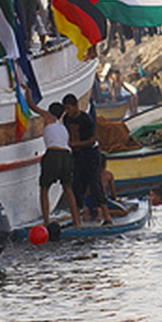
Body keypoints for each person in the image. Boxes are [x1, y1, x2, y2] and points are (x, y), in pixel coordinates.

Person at [24, 86, 80, 228]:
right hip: (67, 155)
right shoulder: (62, 127)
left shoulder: (49, 118)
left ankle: (46, 221)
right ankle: (77, 221)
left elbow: (32, 106)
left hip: (54, 154)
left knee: (44, 188)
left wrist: (27, 91)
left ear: (50, 112)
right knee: (68, 188)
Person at [63, 93, 111, 225]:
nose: (67, 111)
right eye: (65, 109)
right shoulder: (67, 119)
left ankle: (107, 217)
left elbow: (92, 140)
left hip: (90, 154)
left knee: (95, 184)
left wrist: (76, 144)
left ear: (76, 106)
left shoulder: (86, 120)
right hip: (78, 155)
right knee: (77, 186)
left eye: (69, 108)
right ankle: (76, 219)